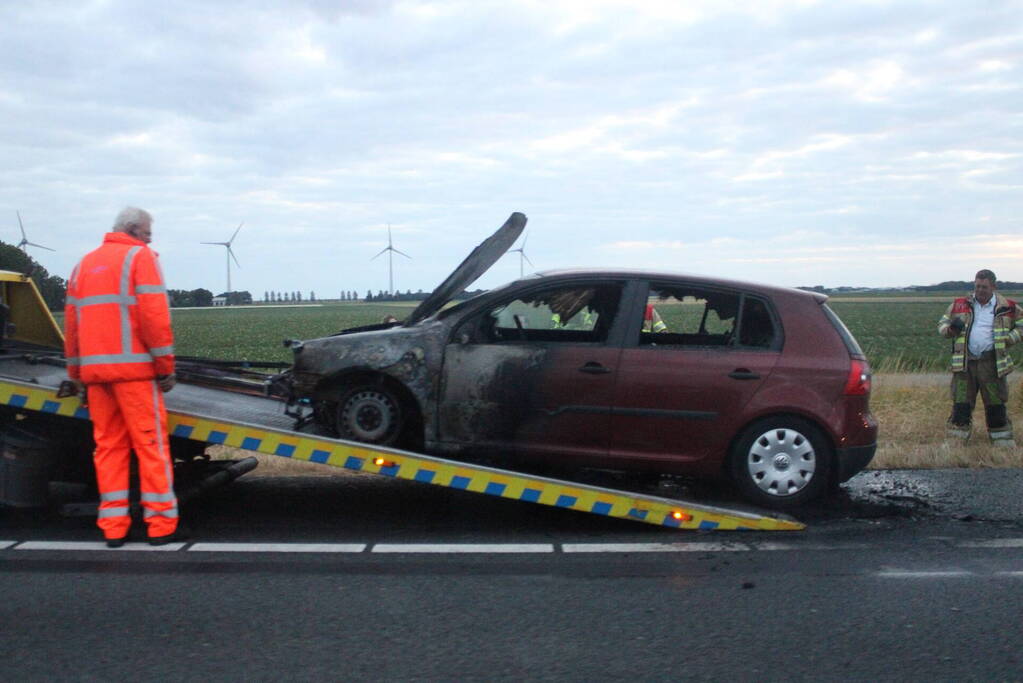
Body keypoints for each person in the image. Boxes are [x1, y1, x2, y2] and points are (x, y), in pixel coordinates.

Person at [64, 207, 180, 546]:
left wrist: (76, 374)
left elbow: (72, 327)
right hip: (136, 376)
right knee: (150, 448)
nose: (150, 240)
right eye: (147, 233)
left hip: (96, 378)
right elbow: (154, 318)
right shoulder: (140, 258)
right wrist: (165, 367)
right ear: (132, 229)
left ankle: (113, 528)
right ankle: (160, 526)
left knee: (108, 449)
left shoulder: (83, 265)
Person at [937, 269, 1022, 446]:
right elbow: (942, 324)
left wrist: (1010, 339)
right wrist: (950, 330)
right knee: (961, 403)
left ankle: (1002, 443)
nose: (980, 290)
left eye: (984, 287)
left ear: (993, 287)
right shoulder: (959, 305)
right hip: (965, 364)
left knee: (995, 403)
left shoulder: (1008, 307)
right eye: (977, 286)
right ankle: (956, 442)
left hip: (992, 364)